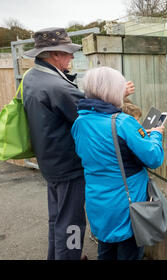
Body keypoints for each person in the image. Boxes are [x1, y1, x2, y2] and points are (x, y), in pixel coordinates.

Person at [22, 27, 135, 260]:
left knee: (57, 218)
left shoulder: (32, 77)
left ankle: (58, 256)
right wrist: (117, 94)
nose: (72, 57)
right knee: (72, 224)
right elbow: (93, 114)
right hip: (68, 168)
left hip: (49, 162)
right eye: (68, 52)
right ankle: (70, 256)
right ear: (54, 54)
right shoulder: (58, 87)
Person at [71, 66, 165, 260]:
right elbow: (154, 158)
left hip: (98, 202)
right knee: (128, 252)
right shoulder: (122, 122)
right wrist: (155, 134)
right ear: (113, 91)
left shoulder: (79, 122)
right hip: (126, 206)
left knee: (105, 250)